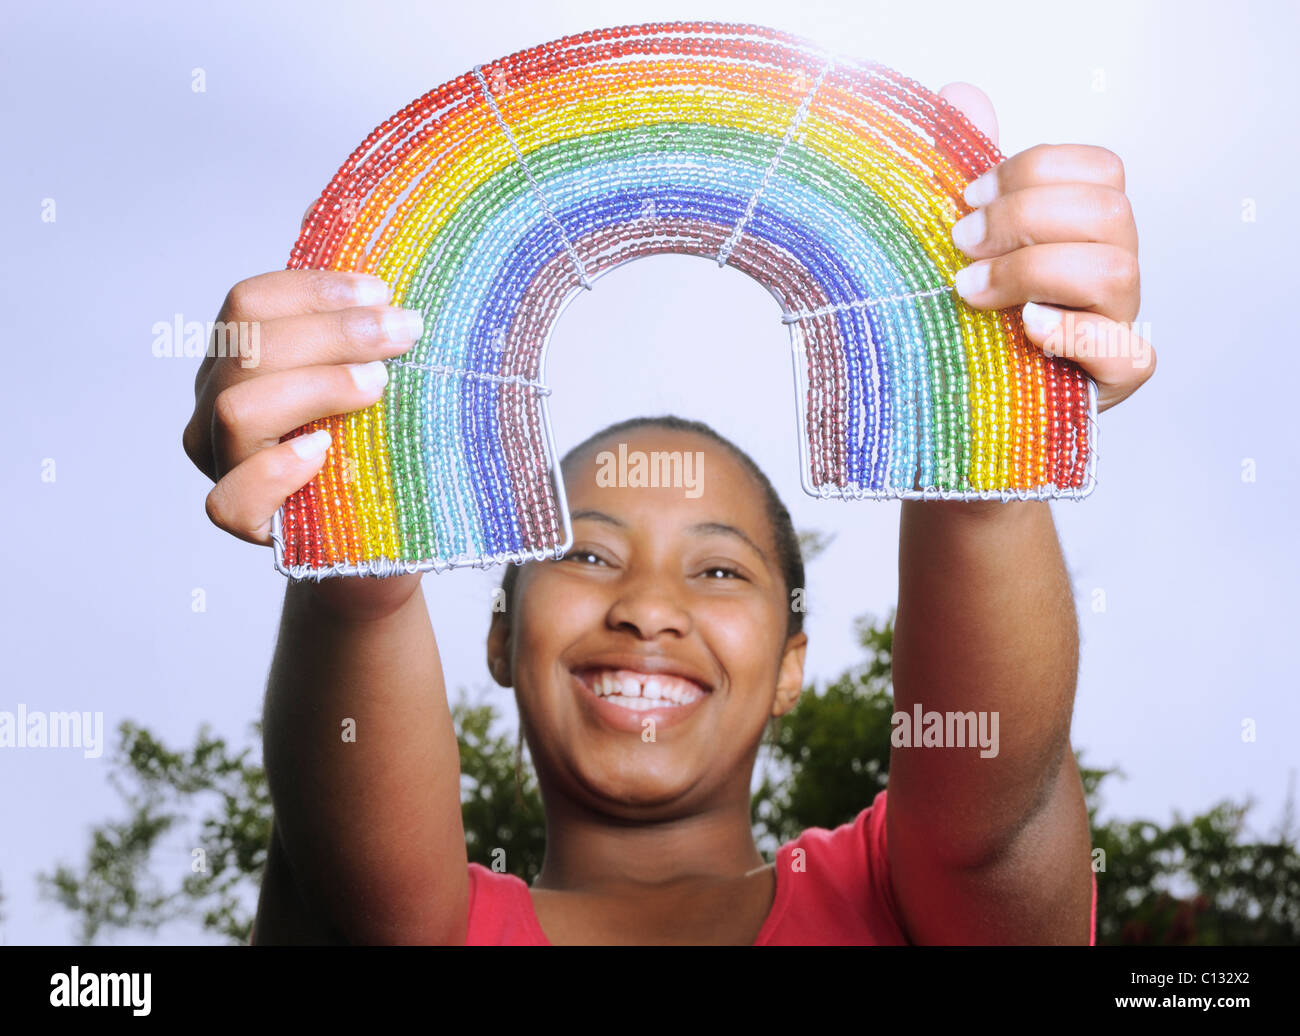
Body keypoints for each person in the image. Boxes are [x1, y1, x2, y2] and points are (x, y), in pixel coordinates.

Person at [182, 83, 1153, 944]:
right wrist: (353, 513)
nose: (647, 608)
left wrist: (986, 427)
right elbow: (349, 882)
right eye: (588, 556)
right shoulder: (417, 927)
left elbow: (991, 823)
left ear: (790, 667)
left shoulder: (908, 902)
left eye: (720, 569)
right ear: (498, 634)